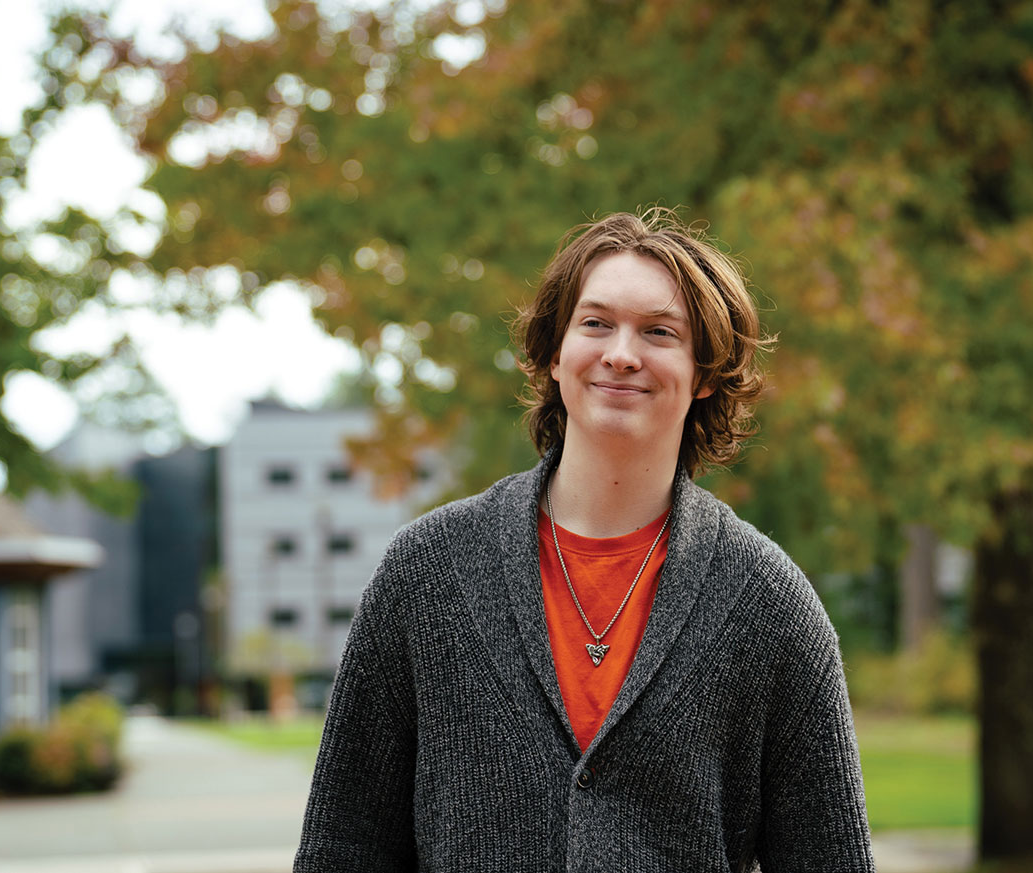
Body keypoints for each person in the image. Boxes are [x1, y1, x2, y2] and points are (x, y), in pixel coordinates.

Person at [295, 208, 874, 871]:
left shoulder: (767, 603)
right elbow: (342, 845)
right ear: (553, 353)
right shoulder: (427, 572)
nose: (621, 353)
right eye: (595, 323)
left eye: (658, 332)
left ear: (705, 371)